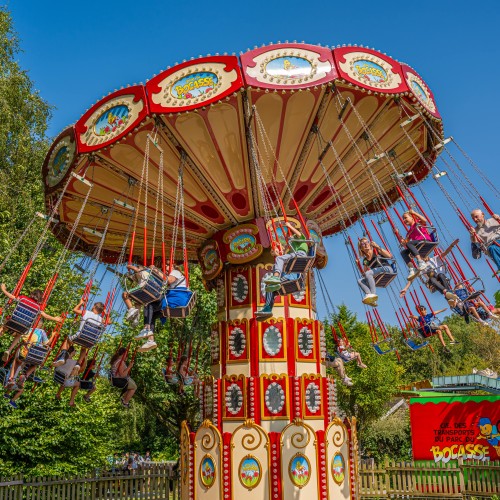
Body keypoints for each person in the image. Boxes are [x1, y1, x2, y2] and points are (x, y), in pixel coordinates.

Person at [0, 284, 62, 362]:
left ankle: (1, 330)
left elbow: (11, 296)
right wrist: (55, 318)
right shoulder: (38, 307)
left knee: (4, 326)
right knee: (19, 335)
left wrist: (3, 289)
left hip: (13, 322)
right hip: (23, 328)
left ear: (32, 294)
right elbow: (45, 316)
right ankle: (9, 350)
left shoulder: (23, 298)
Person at [135, 265, 189, 352]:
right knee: (151, 315)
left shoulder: (176, 272)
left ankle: (146, 328)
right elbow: (164, 281)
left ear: (172, 266)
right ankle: (150, 340)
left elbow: (168, 280)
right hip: (173, 301)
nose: (167, 272)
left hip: (175, 300)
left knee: (149, 303)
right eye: (165, 271)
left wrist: (157, 270)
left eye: (167, 270)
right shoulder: (174, 275)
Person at [53, 299, 104, 367]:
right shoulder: (101, 319)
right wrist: (106, 313)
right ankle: (78, 364)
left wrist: (80, 303)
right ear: (101, 311)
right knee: (84, 348)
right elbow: (109, 322)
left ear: (94, 307)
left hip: (80, 336)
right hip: (91, 341)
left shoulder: (86, 312)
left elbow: (75, 310)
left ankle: (62, 357)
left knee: (67, 341)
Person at [256, 241, 300, 319]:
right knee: (269, 287)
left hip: (290, 278)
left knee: (270, 285)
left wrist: (278, 255)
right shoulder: (281, 260)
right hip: (288, 279)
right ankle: (267, 309)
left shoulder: (287, 258)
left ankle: (267, 309)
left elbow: (284, 261)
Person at [263, 222, 309, 290]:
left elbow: (299, 234)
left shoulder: (298, 238)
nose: (287, 237)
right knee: (278, 264)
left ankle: (276, 278)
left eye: (288, 235)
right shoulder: (292, 247)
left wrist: (290, 226)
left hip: (300, 254)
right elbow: (284, 257)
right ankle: (276, 282)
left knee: (280, 259)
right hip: (297, 256)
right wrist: (277, 254)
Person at [357, 238, 394, 306]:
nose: (366, 244)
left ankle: (373, 294)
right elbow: (364, 274)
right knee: (360, 280)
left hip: (386, 269)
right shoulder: (365, 260)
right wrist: (358, 265)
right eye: (363, 244)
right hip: (377, 273)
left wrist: (377, 246)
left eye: (367, 242)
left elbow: (389, 256)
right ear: (361, 248)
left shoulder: (376, 250)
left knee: (368, 273)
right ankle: (369, 295)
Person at [399, 210, 434, 280]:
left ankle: (420, 261)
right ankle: (412, 269)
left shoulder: (418, 223)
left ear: (412, 217)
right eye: (403, 219)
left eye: (406, 218)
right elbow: (406, 243)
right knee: (403, 252)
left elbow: (425, 220)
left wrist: (414, 213)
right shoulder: (409, 232)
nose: (404, 220)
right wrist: (403, 241)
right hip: (418, 244)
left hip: (425, 241)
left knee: (410, 243)